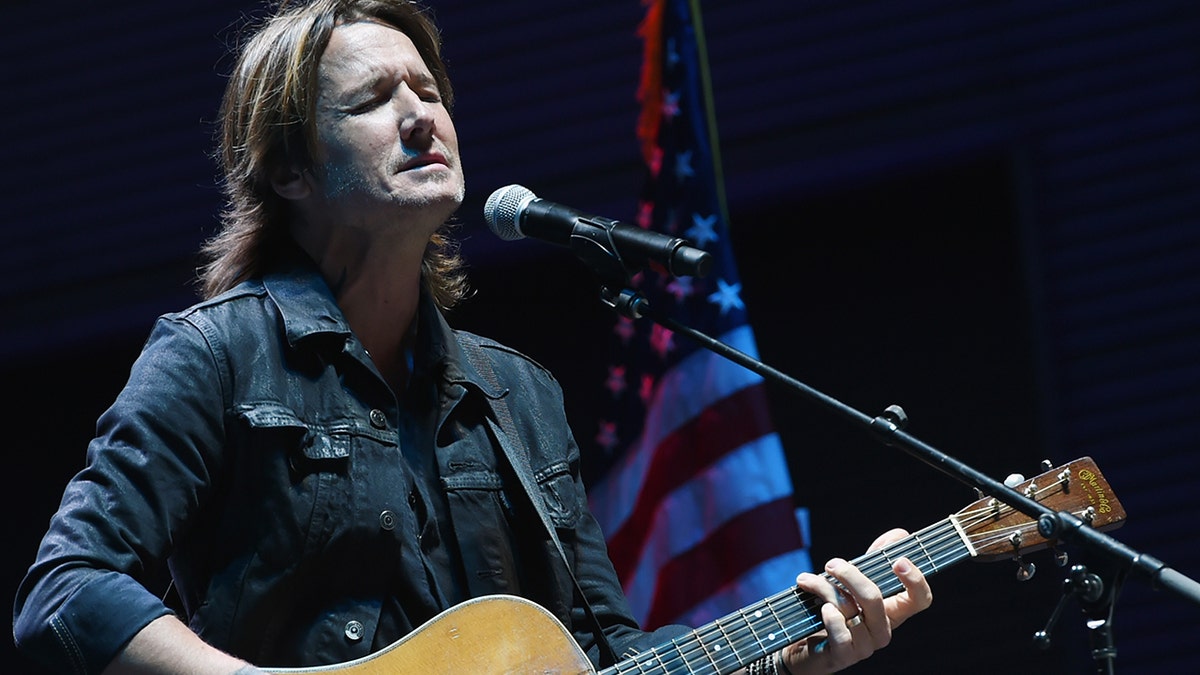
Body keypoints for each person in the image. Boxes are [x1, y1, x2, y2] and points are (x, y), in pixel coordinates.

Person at [12, 1, 933, 673]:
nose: (422, 114)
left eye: (428, 88)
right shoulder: (214, 355)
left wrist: (790, 655)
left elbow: (608, 654)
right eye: (374, 98)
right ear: (289, 168)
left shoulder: (518, 397)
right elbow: (68, 586)